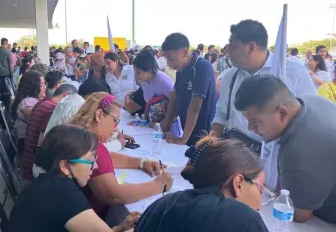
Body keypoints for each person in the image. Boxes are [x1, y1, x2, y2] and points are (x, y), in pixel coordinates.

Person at [209, 20, 315, 188]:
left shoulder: (292, 72)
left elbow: (309, 119)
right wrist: (210, 145)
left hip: (279, 161)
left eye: (233, 45)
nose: (227, 51)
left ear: (251, 47)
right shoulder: (230, 77)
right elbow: (221, 115)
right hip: (238, 157)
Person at [235, 74, 336, 224]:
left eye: (255, 121)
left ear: (282, 113)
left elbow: (298, 213)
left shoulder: (302, 150)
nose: (251, 129)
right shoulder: (307, 100)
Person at [7, 125, 140, 232]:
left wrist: (119, 228)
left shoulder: (47, 183)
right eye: (90, 160)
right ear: (65, 165)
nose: (95, 166)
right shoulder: (63, 193)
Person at [69, 92, 173, 219]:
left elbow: (106, 157)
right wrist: (158, 185)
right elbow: (113, 195)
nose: (116, 128)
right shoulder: (91, 143)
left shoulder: (79, 133)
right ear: (99, 115)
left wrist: (141, 163)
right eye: (114, 121)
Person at [135, 137, 269, 232]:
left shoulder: (163, 203)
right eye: (260, 190)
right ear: (239, 183)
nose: (259, 206)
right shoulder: (245, 221)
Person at [161, 33, 217, 146]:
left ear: (185, 52)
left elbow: (195, 106)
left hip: (202, 133)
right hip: (186, 129)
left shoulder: (202, 67)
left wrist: (183, 139)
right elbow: (175, 98)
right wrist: (165, 125)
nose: (169, 64)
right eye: (167, 59)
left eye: (171, 59)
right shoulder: (181, 69)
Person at [21, 84, 77, 181]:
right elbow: (43, 144)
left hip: (27, 159)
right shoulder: (52, 110)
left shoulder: (44, 103)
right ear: (66, 95)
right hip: (34, 168)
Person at [133, 50, 182, 137]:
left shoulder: (162, 80)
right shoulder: (144, 81)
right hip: (155, 126)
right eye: (135, 71)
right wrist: (144, 120)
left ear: (149, 70)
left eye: (138, 72)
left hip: (169, 128)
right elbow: (149, 102)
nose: (136, 75)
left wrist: (166, 123)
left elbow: (176, 103)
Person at [45, 79, 111, 135]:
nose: (102, 105)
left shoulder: (73, 99)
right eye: (102, 100)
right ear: (93, 96)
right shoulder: (78, 107)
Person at [10, 71, 46, 154]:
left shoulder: (27, 99)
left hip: (26, 141)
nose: (45, 87)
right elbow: (40, 120)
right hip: (27, 145)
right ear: (32, 86)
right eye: (42, 85)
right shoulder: (28, 102)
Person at [0, 38, 14, 125]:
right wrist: (12, 73)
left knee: (0, 93)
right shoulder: (7, 51)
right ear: (6, 43)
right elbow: (11, 63)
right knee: (7, 95)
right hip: (7, 75)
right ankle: (5, 113)